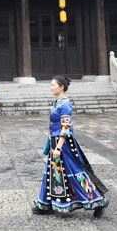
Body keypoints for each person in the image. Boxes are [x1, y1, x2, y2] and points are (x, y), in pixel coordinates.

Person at [33, 75, 109, 217]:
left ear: (61, 87)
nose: (51, 87)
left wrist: (58, 147)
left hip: (63, 144)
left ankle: (98, 202)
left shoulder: (65, 105)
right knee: (52, 172)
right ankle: (45, 204)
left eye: (53, 85)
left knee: (74, 173)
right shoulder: (57, 103)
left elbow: (66, 128)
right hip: (55, 142)